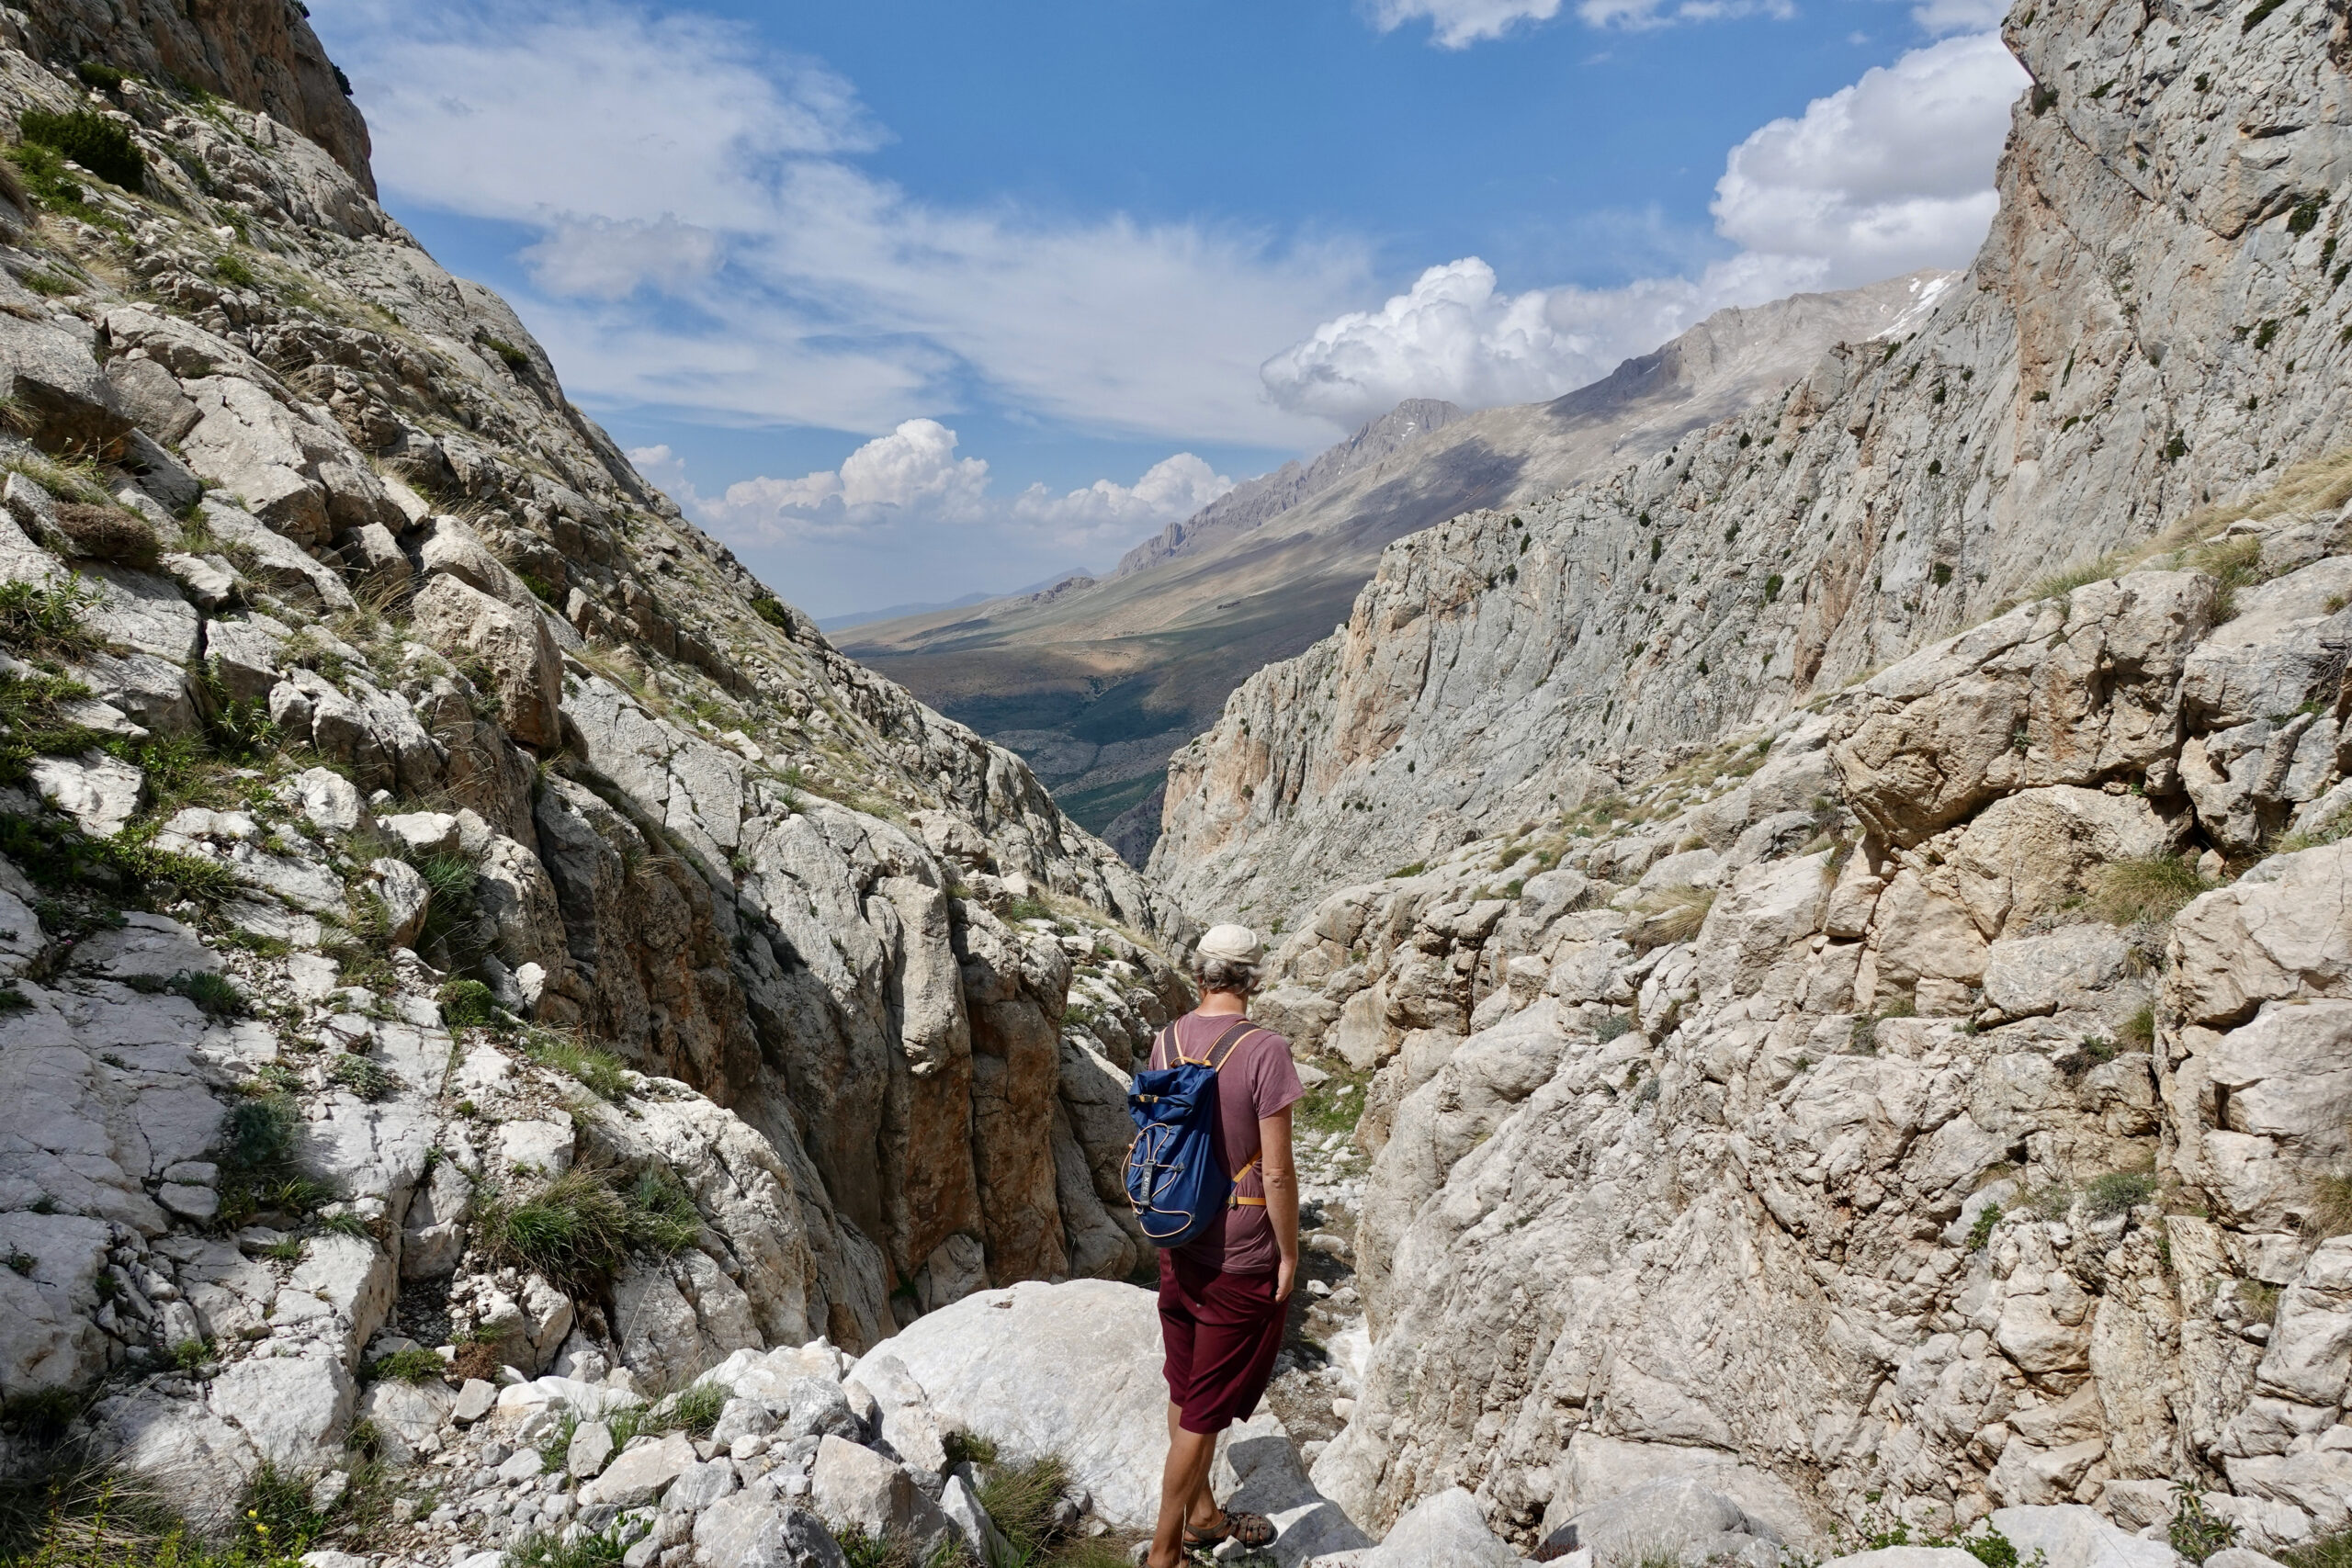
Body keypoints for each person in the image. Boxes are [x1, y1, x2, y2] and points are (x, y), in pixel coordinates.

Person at [1145, 922, 1303, 1568]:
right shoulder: (1265, 1050)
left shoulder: (1167, 1038)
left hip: (1178, 1237)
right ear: (1251, 978)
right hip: (1238, 1253)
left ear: (1201, 973)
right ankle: (1163, 1553)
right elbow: (1277, 1172)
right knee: (1203, 1409)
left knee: (1186, 1390)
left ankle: (1205, 1514)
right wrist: (1289, 1251)